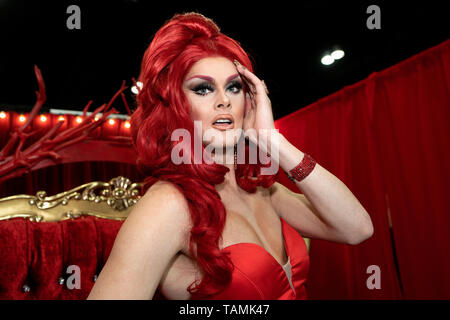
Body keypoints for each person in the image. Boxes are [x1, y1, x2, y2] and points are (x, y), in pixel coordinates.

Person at [87, 12, 373, 300]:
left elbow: (357, 228)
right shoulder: (169, 204)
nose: (223, 100)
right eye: (203, 88)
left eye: (234, 87)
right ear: (176, 105)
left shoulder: (264, 192)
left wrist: (273, 141)